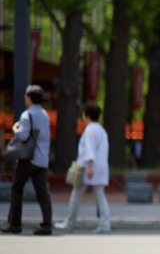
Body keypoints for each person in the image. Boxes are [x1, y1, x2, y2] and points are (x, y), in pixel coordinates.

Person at [1, 85, 53, 235]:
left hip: (28, 158)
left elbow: (23, 136)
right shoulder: (45, 115)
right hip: (42, 159)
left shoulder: (27, 115)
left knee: (16, 189)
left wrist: (15, 128)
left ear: (29, 98)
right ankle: (47, 225)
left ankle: (14, 224)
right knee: (43, 193)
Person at [54, 103, 110, 233]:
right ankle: (105, 224)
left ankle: (70, 223)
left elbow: (89, 150)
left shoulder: (89, 130)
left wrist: (90, 167)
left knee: (76, 195)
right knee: (100, 196)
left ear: (87, 115)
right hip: (101, 167)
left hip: (88, 168)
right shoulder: (102, 130)